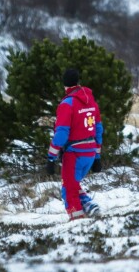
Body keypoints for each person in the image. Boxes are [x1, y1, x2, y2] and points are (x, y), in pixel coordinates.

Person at [46, 68, 103, 220]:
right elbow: (98, 129)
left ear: (65, 85)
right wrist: (97, 157)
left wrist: (51, 157)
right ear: (78, 82)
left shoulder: (67, 104)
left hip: (74, 155)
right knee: (73, 185)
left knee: (68, 190)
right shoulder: (91, 101)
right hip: (90, 153)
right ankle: (90, 206)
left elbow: (62, 134)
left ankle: (77, 223)